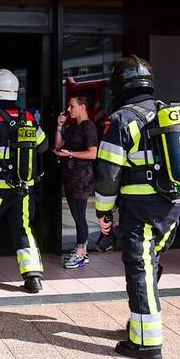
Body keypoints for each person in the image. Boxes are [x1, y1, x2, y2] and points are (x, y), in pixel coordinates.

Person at [95, 55, 180, 359]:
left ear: (120, 86)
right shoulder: (164, 112)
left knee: (139, 269)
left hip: (142, 208)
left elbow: (108, 175)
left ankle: (147, 342)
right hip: (173, 205)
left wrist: (103, 212)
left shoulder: (122, 120)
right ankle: (139, 325)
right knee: (151, 264)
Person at [0, 69, 48, 293]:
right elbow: (44, 145)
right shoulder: (27, 118)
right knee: (24, 229)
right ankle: (33, 276)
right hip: (23, 187)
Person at [54, 95, 98, 269]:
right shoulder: (73, 127)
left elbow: (93, 153)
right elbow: (59, 145)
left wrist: (70, 154)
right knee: (76, 215)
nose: (69, 110)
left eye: (72, 106)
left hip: (82, 179)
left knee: (80, 216)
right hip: (71, 178)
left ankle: (81, 253)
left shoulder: (89, 128)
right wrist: (59, 126)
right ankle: (81, 250)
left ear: (82, 107)